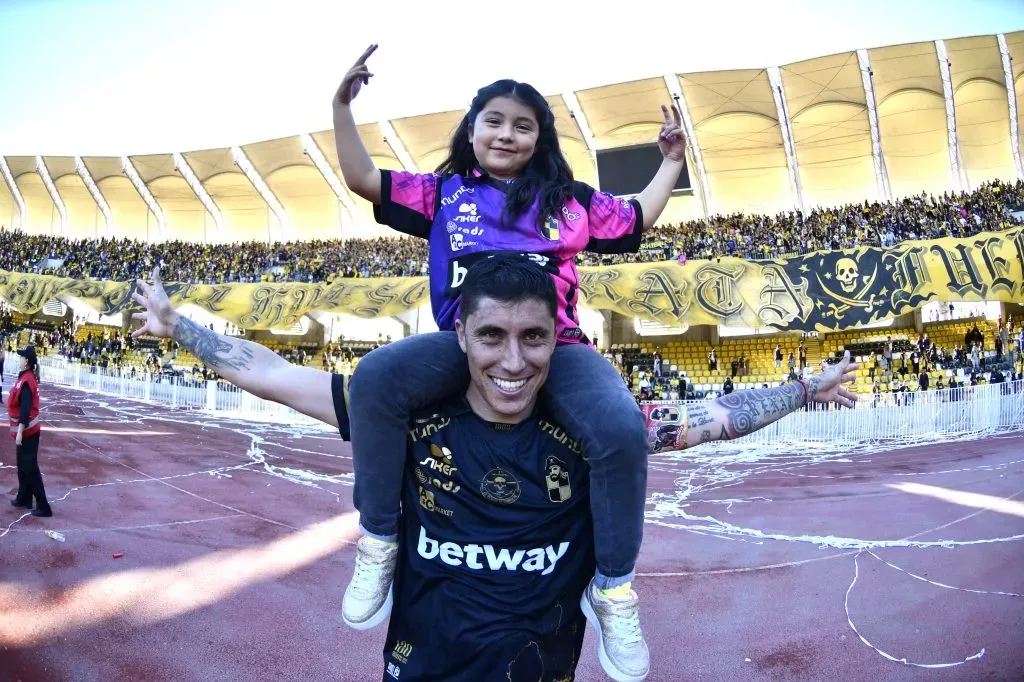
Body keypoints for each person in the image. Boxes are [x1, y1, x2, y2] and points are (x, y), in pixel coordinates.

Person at [131, 256, 860, 682]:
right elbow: (273, 372)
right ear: (460, 337)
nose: (513, 362)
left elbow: (715, 421)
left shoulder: (591, 433)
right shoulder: (411, 418)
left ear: (558, 340)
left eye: (533, 338)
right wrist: (177, 326)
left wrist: (804, 387)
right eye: (492, 337)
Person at [330, 45, 688, 675]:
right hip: (464, 348)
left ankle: (613, 590)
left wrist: (671, 162)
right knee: (377, 378)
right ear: (472, 131)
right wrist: (341, 109)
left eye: (524, 125)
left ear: (540, 138)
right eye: (494, 120)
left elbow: (637, 218)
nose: (507, 133)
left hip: (564, 349)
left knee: (620, 430)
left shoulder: (569, 200)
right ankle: (379, 541)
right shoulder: (442, 193)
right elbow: (365, 180)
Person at [8, 346, 51, 517]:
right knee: (23, 466)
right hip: (26, 432)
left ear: (27, 362)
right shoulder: (25, 377)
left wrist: (19, 432)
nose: (19, 359)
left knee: (30, 468)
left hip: (28, 432)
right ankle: (24, 497)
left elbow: (25, 410)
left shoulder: (27, 381)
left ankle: (44, 506)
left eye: (22, 357)